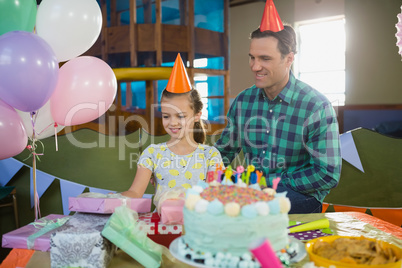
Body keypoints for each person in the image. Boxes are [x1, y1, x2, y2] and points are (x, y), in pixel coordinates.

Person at [215, 24, 342, 214]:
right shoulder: (243, 101)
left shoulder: (316, 106)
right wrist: (188, 166)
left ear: (289, 59)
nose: (255, 66)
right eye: (252, 57)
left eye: (265, 58)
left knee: (251, 209)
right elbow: (224, 152)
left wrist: (272, 185)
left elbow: (327, 173)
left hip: (298, 194)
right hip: (254, 193)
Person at [122, 55, 223, 201]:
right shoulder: (152, 153)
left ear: (197, 115)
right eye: (166, 116)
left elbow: (213, 198)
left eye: (180, 116)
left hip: (196, 222)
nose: (172, 123)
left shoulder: (211, 156)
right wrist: (112, 198)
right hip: (163, 222)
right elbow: (135, 193)